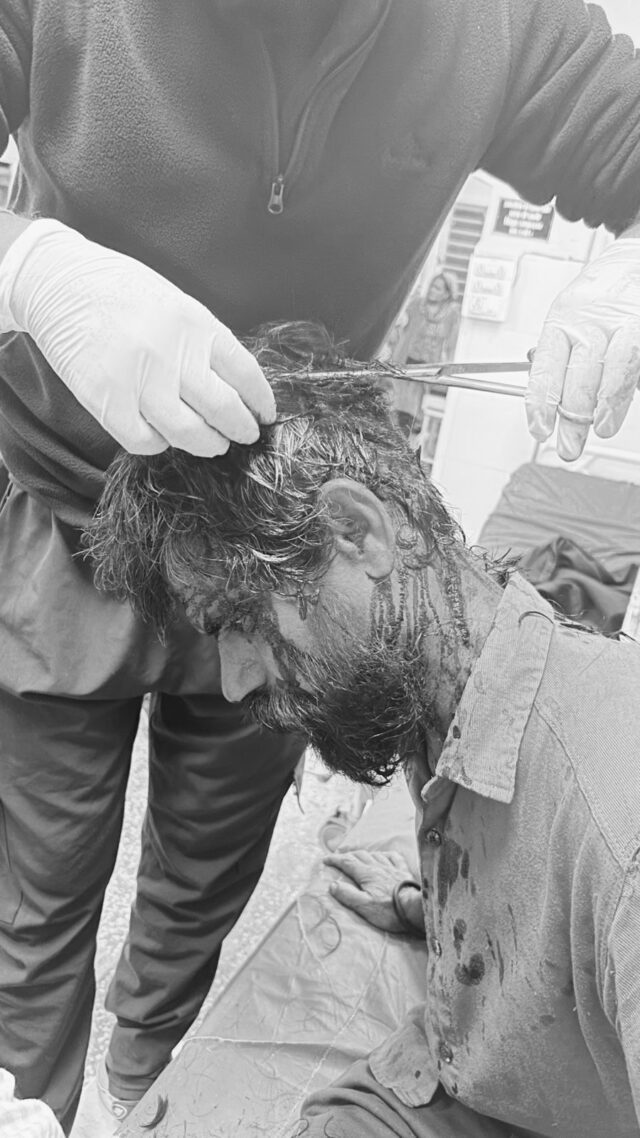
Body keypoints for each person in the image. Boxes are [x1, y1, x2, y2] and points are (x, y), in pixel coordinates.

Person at [3, 1, 640, 1131]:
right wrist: (26, 266)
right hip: (67, 510)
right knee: (37, 896)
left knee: (202, 879)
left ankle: (141, 1096)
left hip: (278, 554)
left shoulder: (497, 22)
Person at [87, 320, 640, 1138]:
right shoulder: (440, 672)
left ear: (356, 530)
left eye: (243, 617)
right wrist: (436, 902)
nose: (235, 681)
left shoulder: (620, 827)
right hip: (453, 1073)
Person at [390, 270, 461, 438]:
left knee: (413, 406)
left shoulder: (451, 314)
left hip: (427, 368)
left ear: (447, 294)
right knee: (398, 402)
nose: (432, 290)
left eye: (437, 288)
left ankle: (404, 435)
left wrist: (448, 369)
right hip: (405, 361)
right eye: (432, 286)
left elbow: (451, 345)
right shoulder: (416, 304)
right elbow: (399, 326)